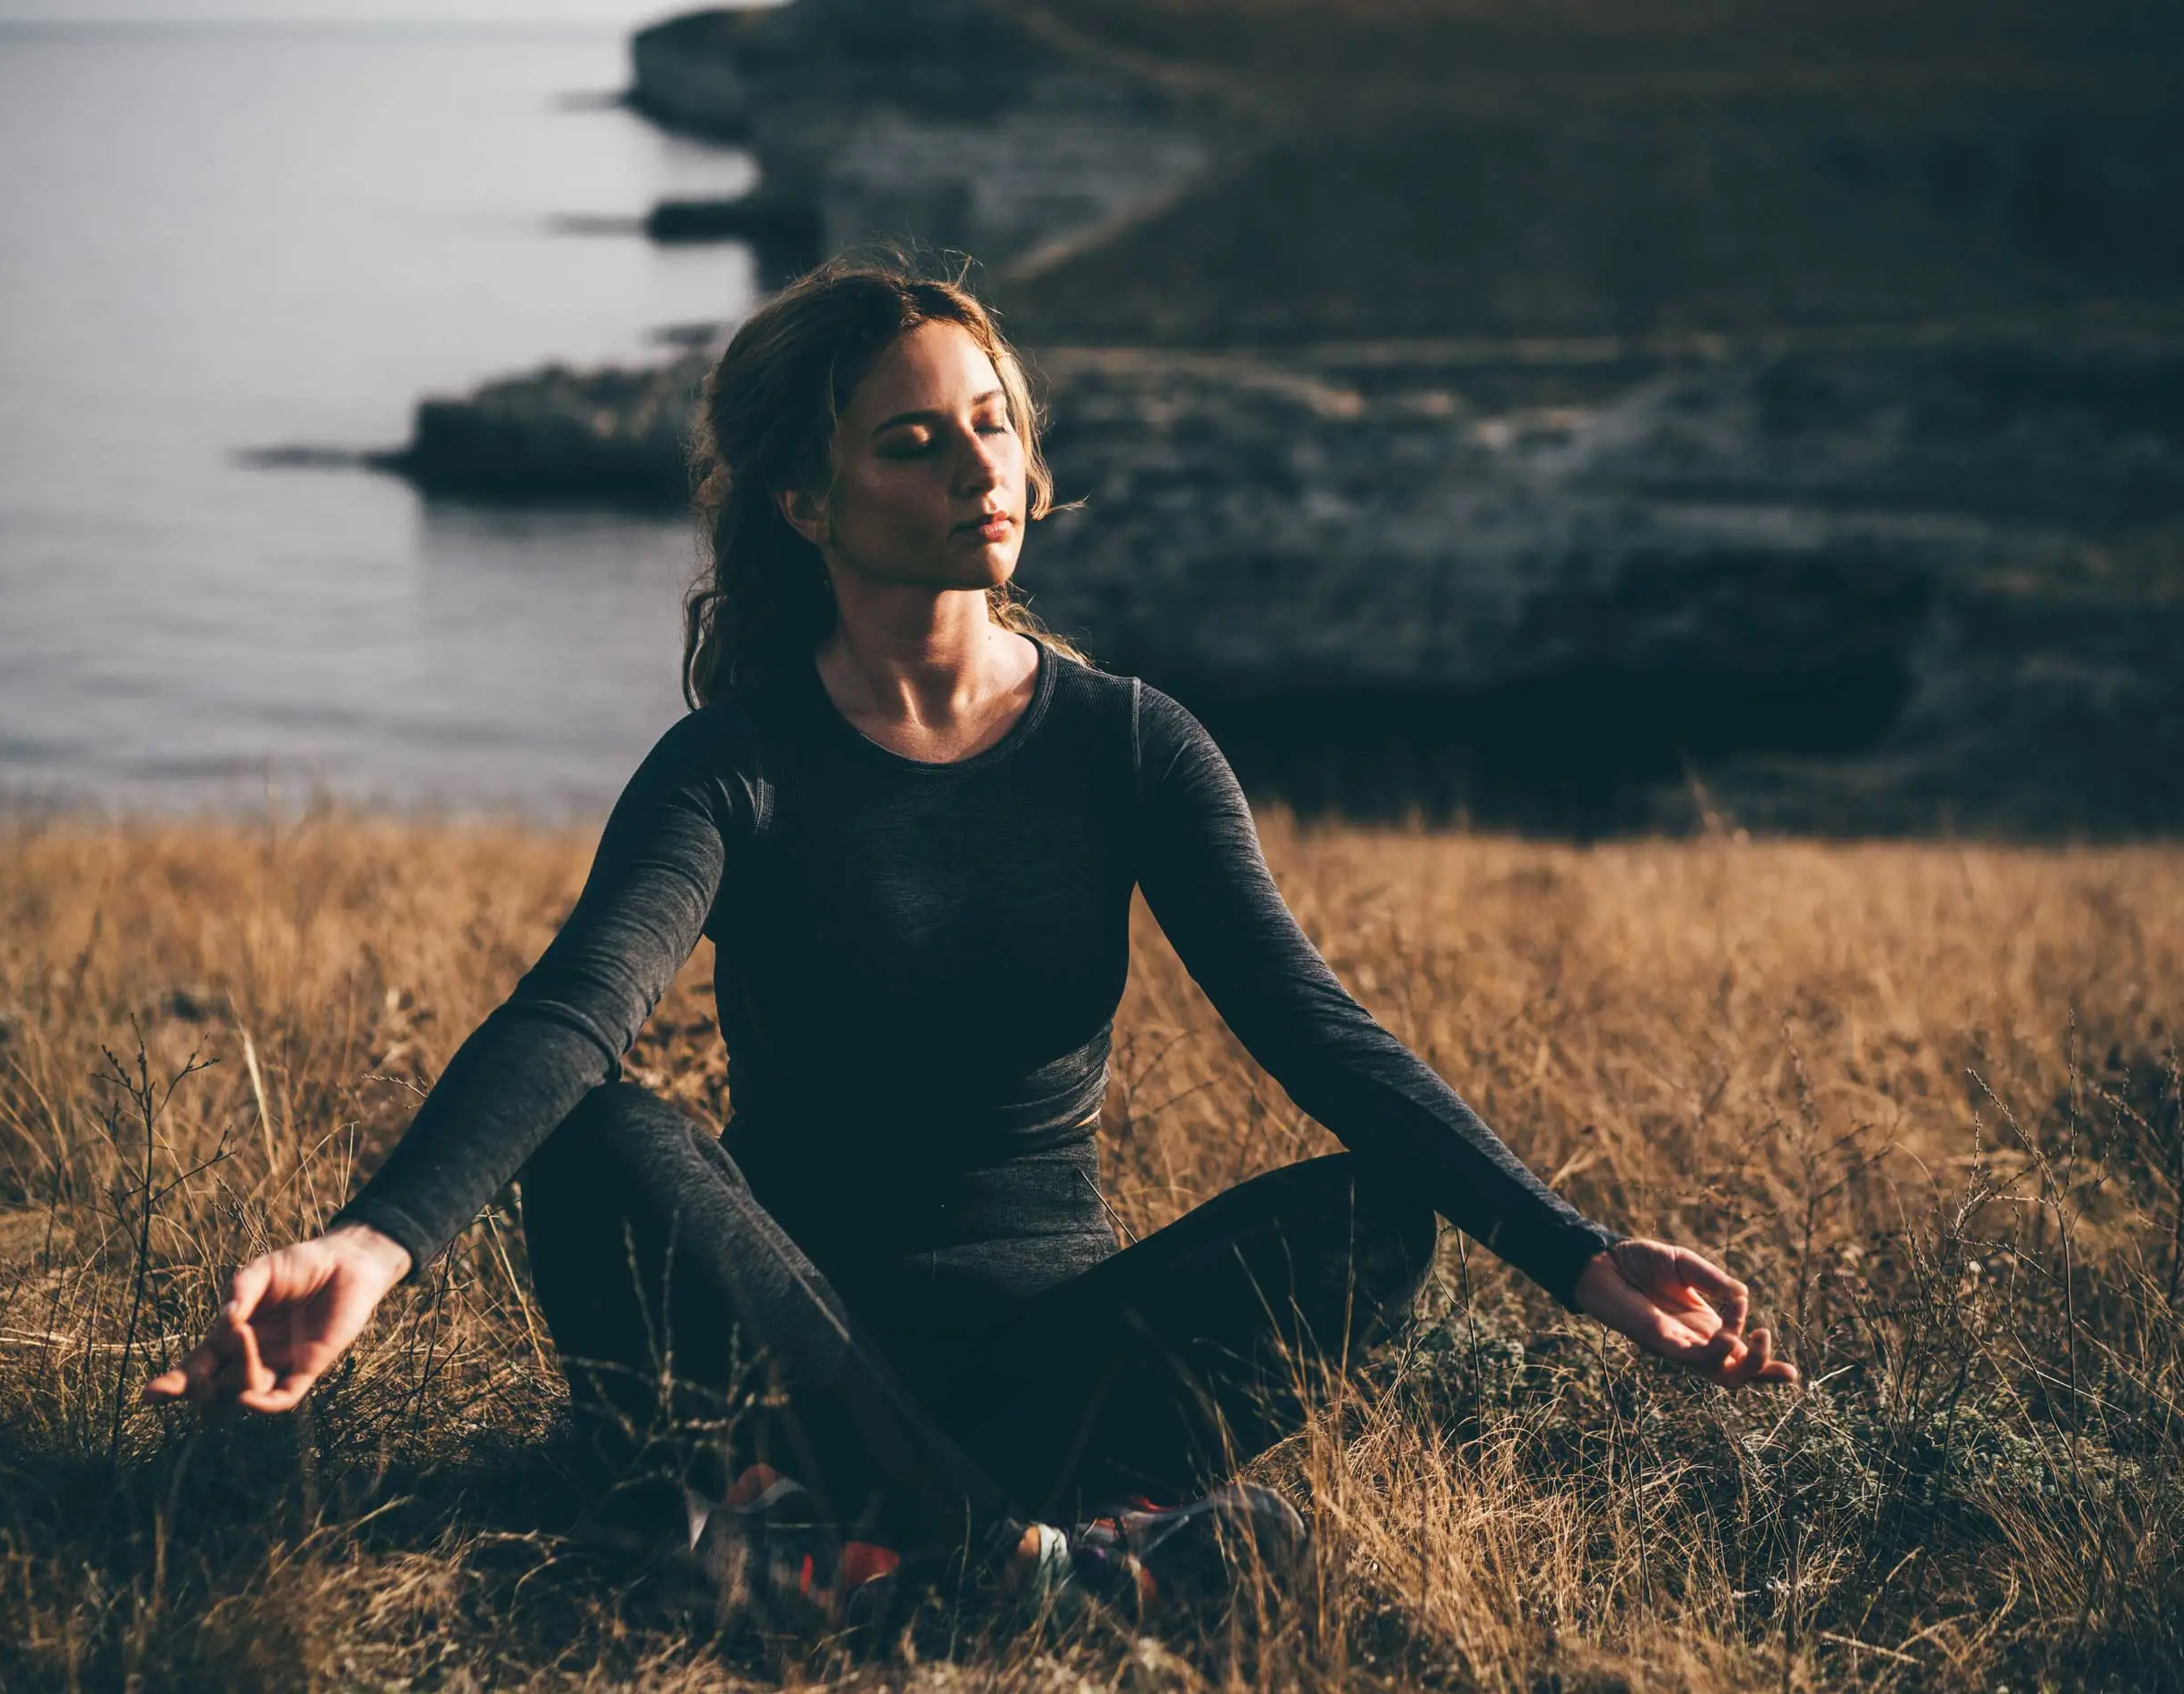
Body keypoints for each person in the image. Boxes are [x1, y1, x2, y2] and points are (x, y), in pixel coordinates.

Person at [146, 258, 1797, 1625]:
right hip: (783, 1340)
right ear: (805, 497)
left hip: (1059, 1359)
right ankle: (1045, 1557)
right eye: (915, 444)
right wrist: (373, 1242)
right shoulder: (733, 766)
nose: (977, 471)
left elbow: (1317, 1031)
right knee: (598, 1134)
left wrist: (1579, 1253)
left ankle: (850, 1549)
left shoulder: (1132, 745)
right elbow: (578, 1012)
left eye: (993, 429)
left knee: (1379, 1213)